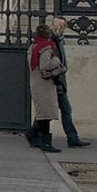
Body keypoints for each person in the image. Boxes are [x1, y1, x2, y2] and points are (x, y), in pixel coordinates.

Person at [46, 16, 87, 147]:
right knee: (50, 110)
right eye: (56, 25)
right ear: (52, 25)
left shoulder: (59, 40)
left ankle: (72, 138)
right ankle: (34, 133)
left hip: (60, 81)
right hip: (53, 80)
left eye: (61, 26)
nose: (58, 28)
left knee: (65, 110)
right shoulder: (50, 41)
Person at [26, 17, 66, 152]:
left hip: (36, 82)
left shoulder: (34, 46)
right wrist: (56, 61)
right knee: (45, 115)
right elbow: (45, 66)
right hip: (44, 84)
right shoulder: (46, 48)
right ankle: (44, 142)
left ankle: (34, 136)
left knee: (43, 113)